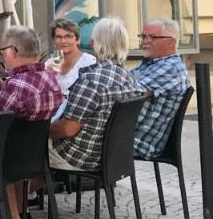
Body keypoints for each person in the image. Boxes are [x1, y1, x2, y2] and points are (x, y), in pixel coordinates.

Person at [0, 26, 63, 219]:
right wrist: (1, 86)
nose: (2, 55)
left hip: (4, 159)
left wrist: (1, 90)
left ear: (14, 51)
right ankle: (21, 214)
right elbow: (23, 110)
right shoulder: (51, 79)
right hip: (34, 156)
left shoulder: (14, 86)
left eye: (2, 50)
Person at [49, 16, 143, 172]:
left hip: (81, 157)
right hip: (113, 156)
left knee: (24, 145)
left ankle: (27, 195)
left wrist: (39, 130)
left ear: (93, 43)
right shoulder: (131, 80)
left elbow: (67, 129)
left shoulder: (91, 80)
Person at [130, 18, 189, 161]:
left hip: (138, 143)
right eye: (144, 36)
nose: (145, 41)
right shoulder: (151, 63)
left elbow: (128, 93)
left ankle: (92, 181)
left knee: (71, 134)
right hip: (126, 134)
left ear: (171, 42)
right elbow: (124, 83)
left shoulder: (170, 67)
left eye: (153, 37)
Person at [46, 18, 96, 94]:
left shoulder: (89, 62)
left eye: (68, 36)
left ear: (78, 39)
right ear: (54, 41)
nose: (63, 41)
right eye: (59, 37)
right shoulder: (49, 63)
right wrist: (47, 75)